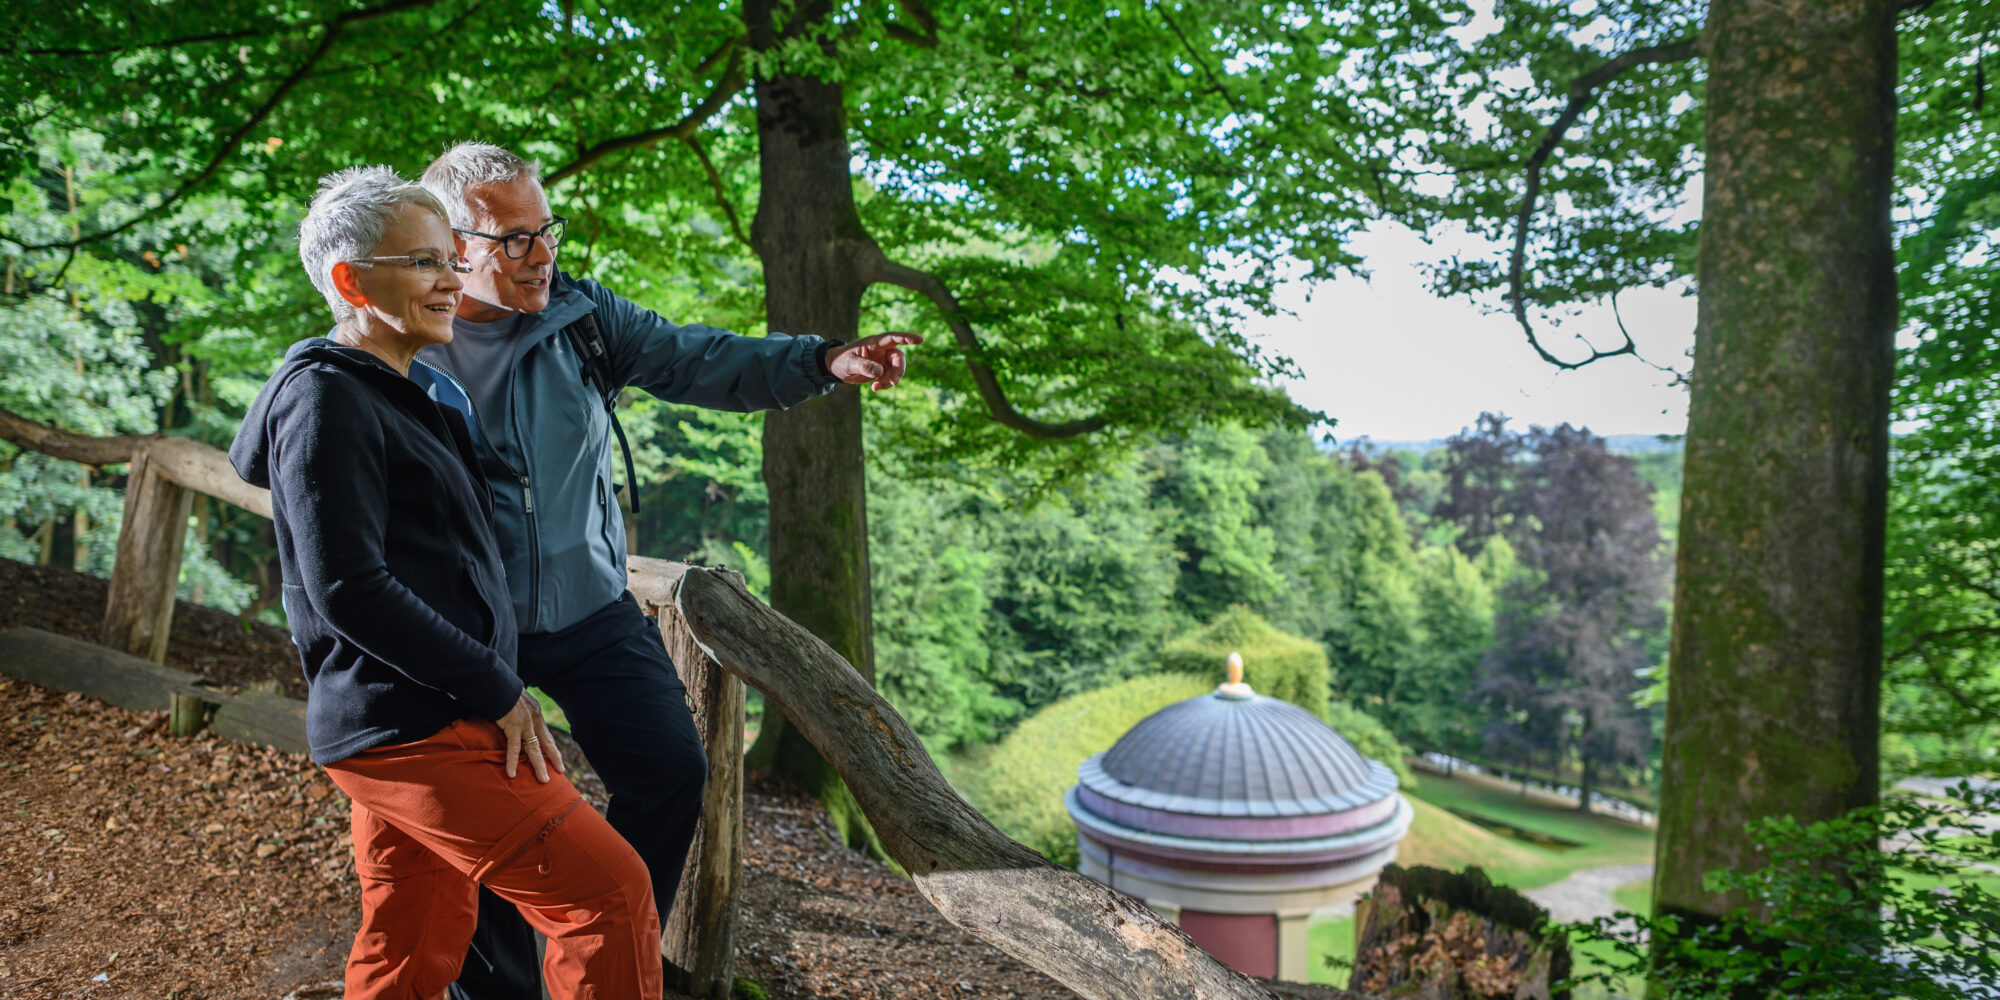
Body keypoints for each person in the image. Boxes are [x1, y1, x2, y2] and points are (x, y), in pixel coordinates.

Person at [414, 142, 919, 999]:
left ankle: (598, 943)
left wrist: (824, 361)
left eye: (547, 233)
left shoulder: (582, 317)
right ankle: (499, 989)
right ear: (454, 243)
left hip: (588, 608)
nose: (542, 258)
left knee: (671, 770)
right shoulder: (403, 333)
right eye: (514, 240)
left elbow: (696, 358)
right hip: (471, 626)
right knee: (485, 823)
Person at [229, 165, 662, 1000]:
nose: (452, 280)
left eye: (451, 260)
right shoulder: (329, 401)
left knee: (415, 938)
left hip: (420, 715)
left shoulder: (403, 385)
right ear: (352, 281)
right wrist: (496, 687)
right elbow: (348, 586)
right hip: (420, 723)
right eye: (425, 263)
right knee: (608, 895)